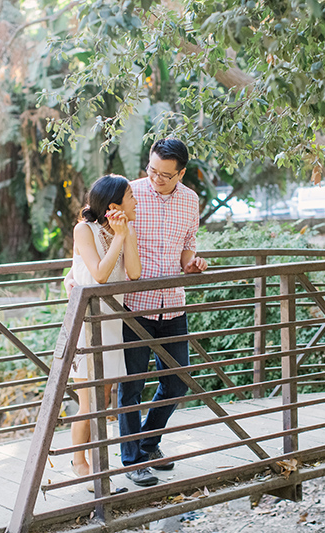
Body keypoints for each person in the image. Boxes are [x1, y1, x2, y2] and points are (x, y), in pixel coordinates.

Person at [117, 138, 208, 487]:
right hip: (135, 306)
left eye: (165, 175)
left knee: (176, 381)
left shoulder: (190, 200)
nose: (156, 178)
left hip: (172, 302)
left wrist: (193, 263)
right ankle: (132, 460)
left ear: (181, 173)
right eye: (152, 170)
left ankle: (149, 443)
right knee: (132, 387)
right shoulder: (130, 194)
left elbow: (187, 249)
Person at [68, 174, 140, 488]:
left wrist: (125, 235)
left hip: (112, 322)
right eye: (131, 197)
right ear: (114, 205)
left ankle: (96, 463)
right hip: (87, 323)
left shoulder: (125, 230)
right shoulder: (84, 230)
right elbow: (99, 274)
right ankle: (83, 463)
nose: (136, 201)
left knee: (105, 397)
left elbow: (134, 274)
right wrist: (120, 240)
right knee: (91, 402)